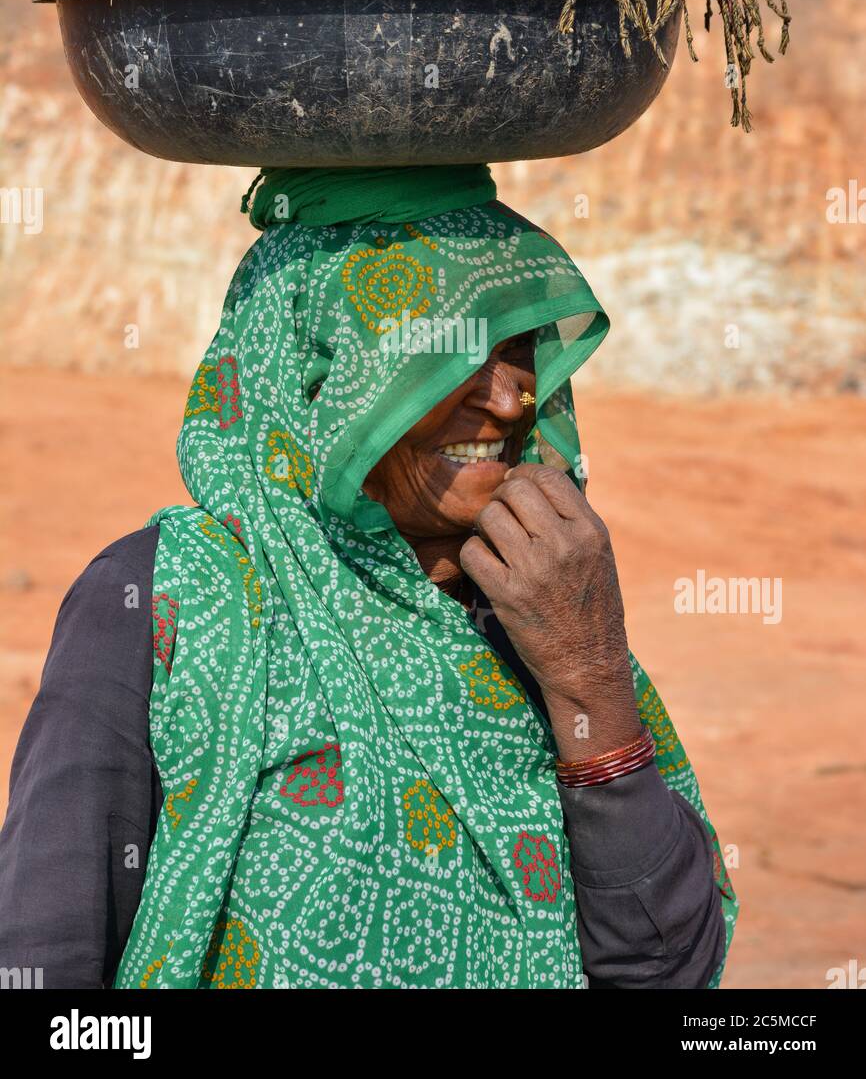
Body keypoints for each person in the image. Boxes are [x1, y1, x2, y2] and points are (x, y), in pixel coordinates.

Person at [0, 164, 736, 989]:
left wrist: (590, 681)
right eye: (452, 356)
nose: (511, 399)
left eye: (518, 347)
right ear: (323, 375)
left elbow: (670, 971)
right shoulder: (167, 601)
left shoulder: (537, 613)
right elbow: (44, 956)